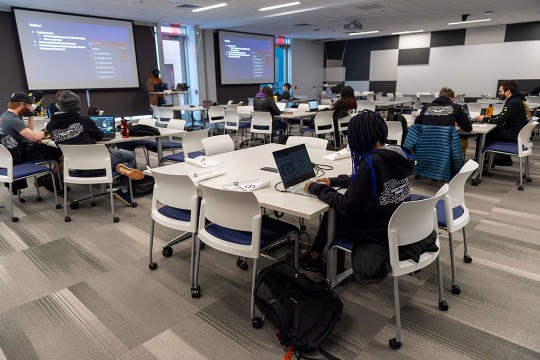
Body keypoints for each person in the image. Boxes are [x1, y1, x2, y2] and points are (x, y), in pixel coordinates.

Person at [299, 110, 416, 280]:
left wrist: (316, 188)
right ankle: (317, 255)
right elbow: (366, 180)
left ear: (358, 139)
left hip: (379, 232)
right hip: (398, 222)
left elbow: (346, 206)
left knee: (334, 212)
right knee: (336, 208)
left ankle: (319, 259)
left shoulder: (371, 163)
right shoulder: (394, 152)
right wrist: (335, 181)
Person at [46, 90, 144, 204]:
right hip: (98, 165)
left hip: (76, 166)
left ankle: (120, 168)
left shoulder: (50, 126)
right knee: (130, 156)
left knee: (114, 157)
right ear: (78, 107)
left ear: (59, 106)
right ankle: (124, 189)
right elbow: (100, 135)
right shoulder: (84, 120)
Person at [0, 92, 63, 192]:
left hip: (16, 153)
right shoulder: (13, 120)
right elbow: (34, 138)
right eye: (29, 106)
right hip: (24, 153)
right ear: (21, 104)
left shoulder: (6, 115)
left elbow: (29, 129)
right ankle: (49, 180)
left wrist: (30, 115)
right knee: (64, 156)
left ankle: (47, 178)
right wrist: (47, 129)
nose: (30, 108)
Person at [475, 80, 530, 166]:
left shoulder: (513, 102)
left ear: (508, 92)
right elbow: (503, 116)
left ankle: (482, 160)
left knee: (486, 133)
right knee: (493, 130)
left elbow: (500, 120)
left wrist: (484, 119)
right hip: (519, 134)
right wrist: (488, 117)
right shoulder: (517, 100)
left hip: (514, 135)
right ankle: (491, 159)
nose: (499, 94)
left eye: (500, 91)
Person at [414, 87, 472, 156]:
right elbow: (468, 128)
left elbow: (416, 125)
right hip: (446, 145)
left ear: (439, 97)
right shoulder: (456, 107)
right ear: (453, 98)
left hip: (426, 143)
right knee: (464, 142)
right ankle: (456, 164)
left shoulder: (426, 107)